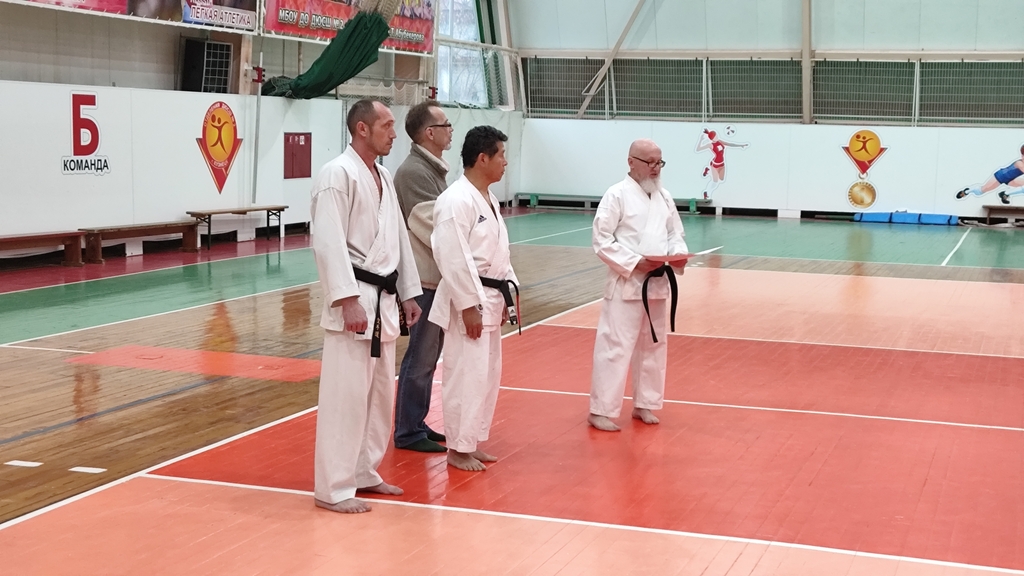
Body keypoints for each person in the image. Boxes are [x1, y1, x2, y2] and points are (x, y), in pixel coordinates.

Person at [309, 99, 423, 514]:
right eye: (387, 125)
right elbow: (327, 242)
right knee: (345, 399)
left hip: (385, 301)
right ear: (362, 128)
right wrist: (345, 299)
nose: (394, 133)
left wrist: (408, 291)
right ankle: (333, 488)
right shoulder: (336, 174)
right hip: (355, 301)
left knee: (377, 398)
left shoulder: (383, 175)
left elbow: (398, 238)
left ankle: (363, 471)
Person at [430, 125, 518, 471]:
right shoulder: (456, 200)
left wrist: (510, 292)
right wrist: (468, 305)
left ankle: (471, 440)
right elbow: (452, 256)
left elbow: (500, 253)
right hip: (469, 300)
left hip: (492, 297)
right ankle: (457, 448)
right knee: (464, 375)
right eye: (501, 155)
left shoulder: (488, 199)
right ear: (483, 159)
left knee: (485, 375)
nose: (505, 162)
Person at [588, 139, 689, 432]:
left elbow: (675, 234)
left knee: (654, 345)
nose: (656, 168)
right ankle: (600, 410)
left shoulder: (664, 197)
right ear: (631, 162)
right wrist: (634, 262)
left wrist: (678, 255)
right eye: (650, 162)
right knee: (615, 347)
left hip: (656, 283)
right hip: (626, 283)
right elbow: (601, 240)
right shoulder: (616, 195)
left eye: (660, 162)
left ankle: (645, 403)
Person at [393, 100, 454, 453]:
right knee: (420, 356)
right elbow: (434, 226)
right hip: (423, 282)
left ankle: (416, 422)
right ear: (429, 133)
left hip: (434, 279)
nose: (450, 131)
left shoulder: (431, 169)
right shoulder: (414, 173)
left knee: (429, 357)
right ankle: (407, 431)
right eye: (446, 125)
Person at [956, 145, 1024, 205]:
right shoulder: (1019, 163)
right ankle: (967, 191)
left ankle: (1005, 193)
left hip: (1011, 179)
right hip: (1000, 177)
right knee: (980, 191)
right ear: (1022, 155)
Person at [695, 128, 747, 200]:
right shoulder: (710, 145)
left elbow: (729, 144)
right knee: (715, 182)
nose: (717, 137)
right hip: (715, 165)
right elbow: (698, 149)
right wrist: (701, 140)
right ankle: (706, 192)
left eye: (716, 135)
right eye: (715, 136)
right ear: (712, 139)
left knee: (721, 179)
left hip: (722, 164)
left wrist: (740, 145)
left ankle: (708, 171)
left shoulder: (720, 141)